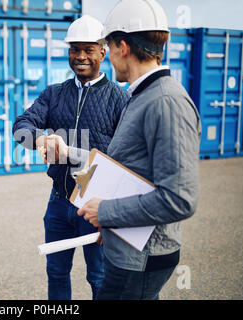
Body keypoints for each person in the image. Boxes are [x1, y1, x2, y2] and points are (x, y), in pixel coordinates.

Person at [49, 0, 202, 300]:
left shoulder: (165, 102)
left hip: (142, 257)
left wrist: (106, 211)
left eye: (108, 46)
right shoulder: (141, 97)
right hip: (128, 247)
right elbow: (130, 169)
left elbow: (180, 199)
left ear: (122, 46)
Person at [12, 15, 129, 300]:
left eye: (88, 49)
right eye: (74, 49)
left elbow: (122, 159)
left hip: (97, 204)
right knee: (56, 272)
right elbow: (20, 127)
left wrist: (72, 155)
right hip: (59, 202)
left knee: (99, 277)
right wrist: (38, 138)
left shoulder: (119, 99)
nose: (80, 56)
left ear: (103, 52)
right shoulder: (54, 94)